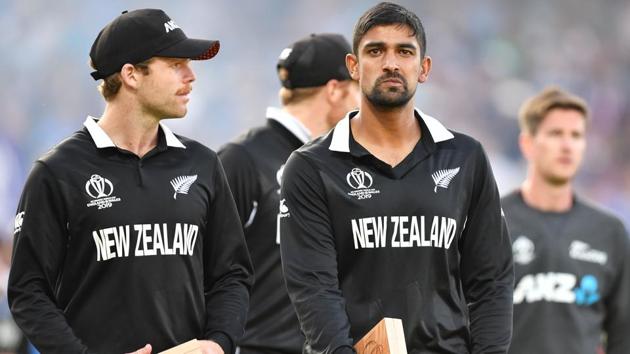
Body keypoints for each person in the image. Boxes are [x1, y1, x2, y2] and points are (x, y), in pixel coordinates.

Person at [8, 9, 253, 354]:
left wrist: (218, 343)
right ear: (131, 75)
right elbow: (28, 292)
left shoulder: (202, 163)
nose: (191, 75)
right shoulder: (57, 172)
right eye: (175, 64)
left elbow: (232, 274)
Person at [279, 2, 513, 353]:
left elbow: (491, 281)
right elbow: (314, 290)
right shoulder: (311, 167)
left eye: (404, 51)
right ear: (354, 67)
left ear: (424, 68)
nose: (390, 63)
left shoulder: (465, 157)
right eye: (375, 51)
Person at [218, 33, 359, 354]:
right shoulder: (242, 159)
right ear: (335, 91)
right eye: (357, 91)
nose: (362, 105)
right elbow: (201, 271)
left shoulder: (343, 163)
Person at [503, 87, 630, 354]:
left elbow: (623, 334)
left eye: (576, 136)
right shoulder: (490, 222)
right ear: (527, 144)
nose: (567, 145)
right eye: (555, 134)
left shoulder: (609, 232)